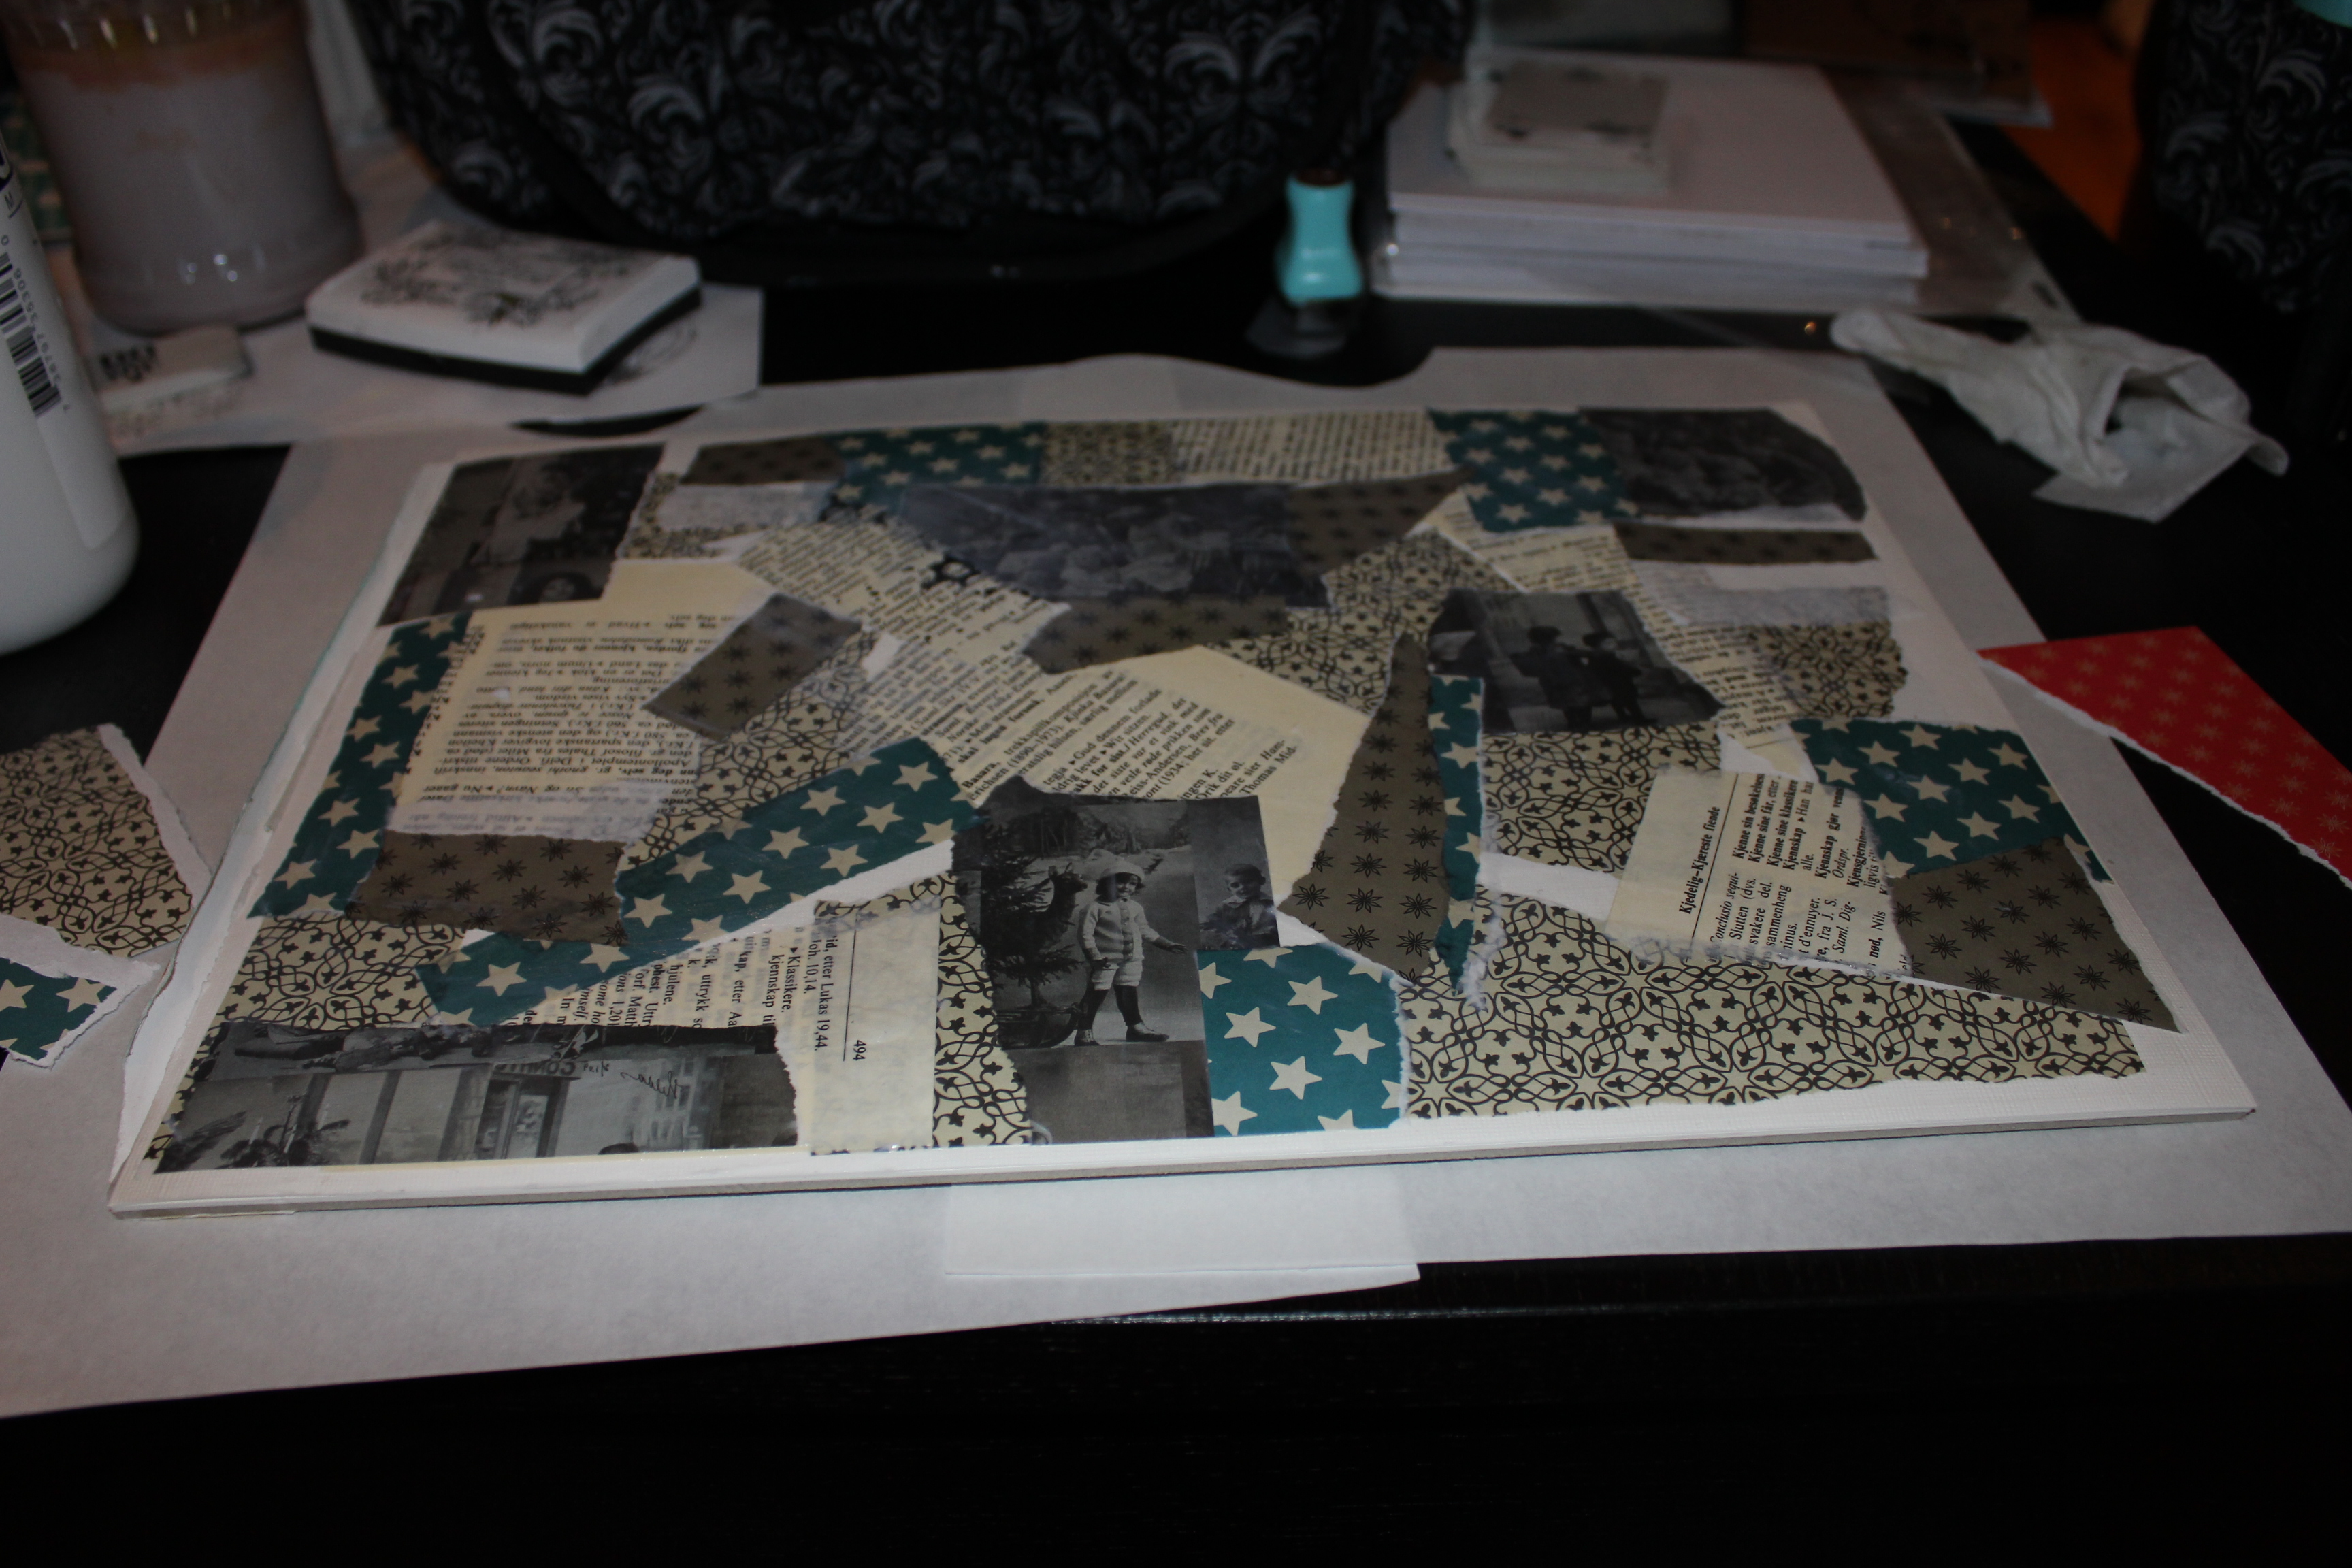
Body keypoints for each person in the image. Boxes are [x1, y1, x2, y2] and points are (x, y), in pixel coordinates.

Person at [1069, 861, 1188, 1046]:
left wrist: (1167, 945)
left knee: (1128, 992)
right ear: (1107, 883)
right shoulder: (1094, 908)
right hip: (1104, 961)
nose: (1127, 887)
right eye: (1121, 882)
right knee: (1096, 994)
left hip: (1132, 959)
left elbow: (1144, 930)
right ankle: (1084, 1032)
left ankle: (1136, 1028)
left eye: (1132, 884)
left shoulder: (1135, 907)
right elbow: (1085, 935)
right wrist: (1094, 957)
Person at [1512, 624, 1601, 729]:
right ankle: (1585, 722)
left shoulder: (1536, 651)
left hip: (1553, 682)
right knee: (1582, 701)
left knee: (1566, 703)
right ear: (1552, 638)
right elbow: (1582, 654)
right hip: (1572, 679)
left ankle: (1573, 722)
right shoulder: (1560, 648)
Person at [1200, 863, 1277, 949]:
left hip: (1267, 945)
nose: (1242, 887)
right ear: (1229, 889)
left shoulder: (1272, 904)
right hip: (1237, 947)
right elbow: (1207, 925)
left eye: (1248, 882)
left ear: (1262, 881)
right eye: (1235, 885)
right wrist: (1225, 939)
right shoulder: (1226, 907)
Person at [1580, 631, 1650, 727]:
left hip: (1610, 682)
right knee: (1630, 701)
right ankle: (1639, 719)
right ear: (1598, 646)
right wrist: (1635, 671)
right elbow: (1620, 668)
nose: (1614, 645)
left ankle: (1623, 716)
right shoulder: (1606, 657)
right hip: (1619, 682)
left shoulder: (1596, 656)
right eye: (1609, 643)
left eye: (1614, 642)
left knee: (1617, 701)